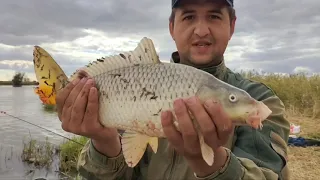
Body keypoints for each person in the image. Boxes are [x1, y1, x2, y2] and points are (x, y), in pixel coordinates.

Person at [56, 0, 290, 179]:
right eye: (189, 17)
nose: (201, 30)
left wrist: (213, 164)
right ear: (171, 27)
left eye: (214, 16)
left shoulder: (260, 100)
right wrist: (104, 140)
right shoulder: (133, 84)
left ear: (232, 26)